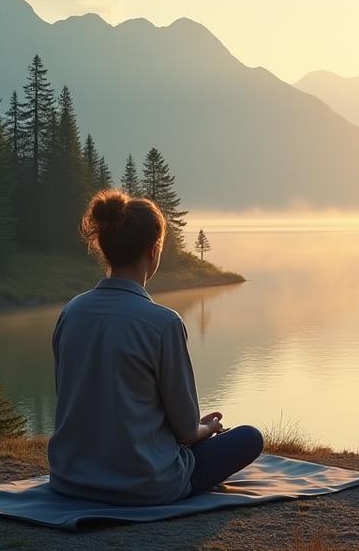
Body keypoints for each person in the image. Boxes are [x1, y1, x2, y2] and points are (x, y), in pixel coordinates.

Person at [48, 189, 263, 505]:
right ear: (153, 251)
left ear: (105, 249)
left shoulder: (71, 313)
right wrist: (206, 428)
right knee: (249, 437)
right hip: (147, 485)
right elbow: (186, 434)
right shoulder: (162, 323)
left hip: (70, 479)